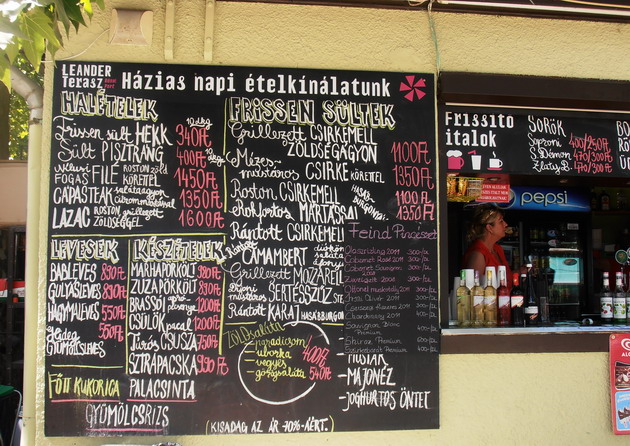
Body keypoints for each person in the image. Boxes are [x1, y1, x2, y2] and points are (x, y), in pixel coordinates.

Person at [463, 203, 512, 288]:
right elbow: (474, 289)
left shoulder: (497, 249)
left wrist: (519, 272)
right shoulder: (478, 254)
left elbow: (502, 279)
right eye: (501, 221)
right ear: (489, 228)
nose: (505, 224)